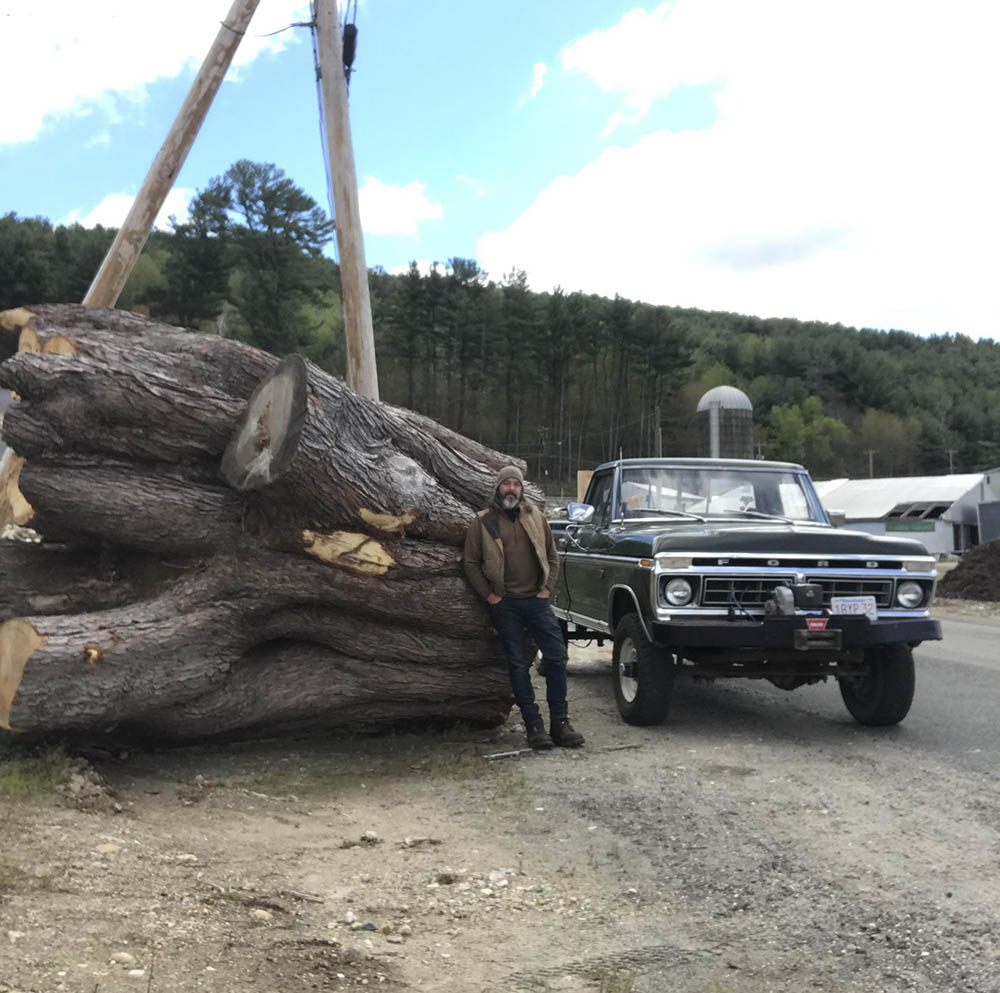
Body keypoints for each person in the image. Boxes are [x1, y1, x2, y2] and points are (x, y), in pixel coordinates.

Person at [463, 465, 585, 750]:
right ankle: (534, 726)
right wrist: (490, 597)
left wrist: (546, 590)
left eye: (515, 484)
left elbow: (553, 557)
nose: (511, 489)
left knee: (556, 658)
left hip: (536, 601)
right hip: (505, 604)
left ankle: (560, 723)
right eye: (506, 484)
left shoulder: (536, 517)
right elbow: (470, 563)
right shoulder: (483, 522)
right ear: (498, 488)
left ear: (522, 488)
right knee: (518, 665)